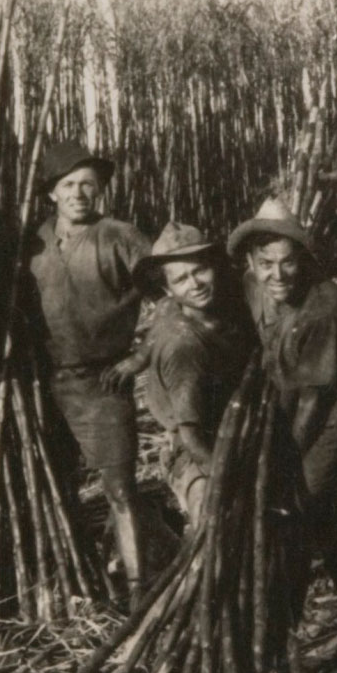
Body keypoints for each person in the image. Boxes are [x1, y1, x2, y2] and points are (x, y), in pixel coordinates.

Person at [229, 197, 337, 651]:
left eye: (288, 264)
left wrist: (282, 459)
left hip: (335, 415)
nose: (278, 275)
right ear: (252, 263)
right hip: (289, 402)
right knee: (321, 515)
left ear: (304, 261)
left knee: (301, 507)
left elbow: (316, 398)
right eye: (266, 264)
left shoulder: (326, 308)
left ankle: (288, 623)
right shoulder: (254, 288)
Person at [22, 142, 150, 600]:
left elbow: (173, 299)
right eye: (70, 185)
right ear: (52, 193)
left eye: (89, 186)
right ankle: (81, 581)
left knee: (119, 490)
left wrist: (140, 357)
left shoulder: (119, 235)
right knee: (60, 489)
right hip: (45, 385)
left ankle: (138, 591)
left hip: (102, 383)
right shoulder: (32, 242)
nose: (80, 194)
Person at [131, 221, 253, 526]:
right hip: (196, 451)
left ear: (215, 268)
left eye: (200, 270)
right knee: (213, 519)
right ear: (167, 289)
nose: (194, 283)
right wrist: (223, 482)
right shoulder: (184, 346)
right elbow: (191, 436)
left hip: (239, 432)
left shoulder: (231, 311)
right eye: (181, 279)